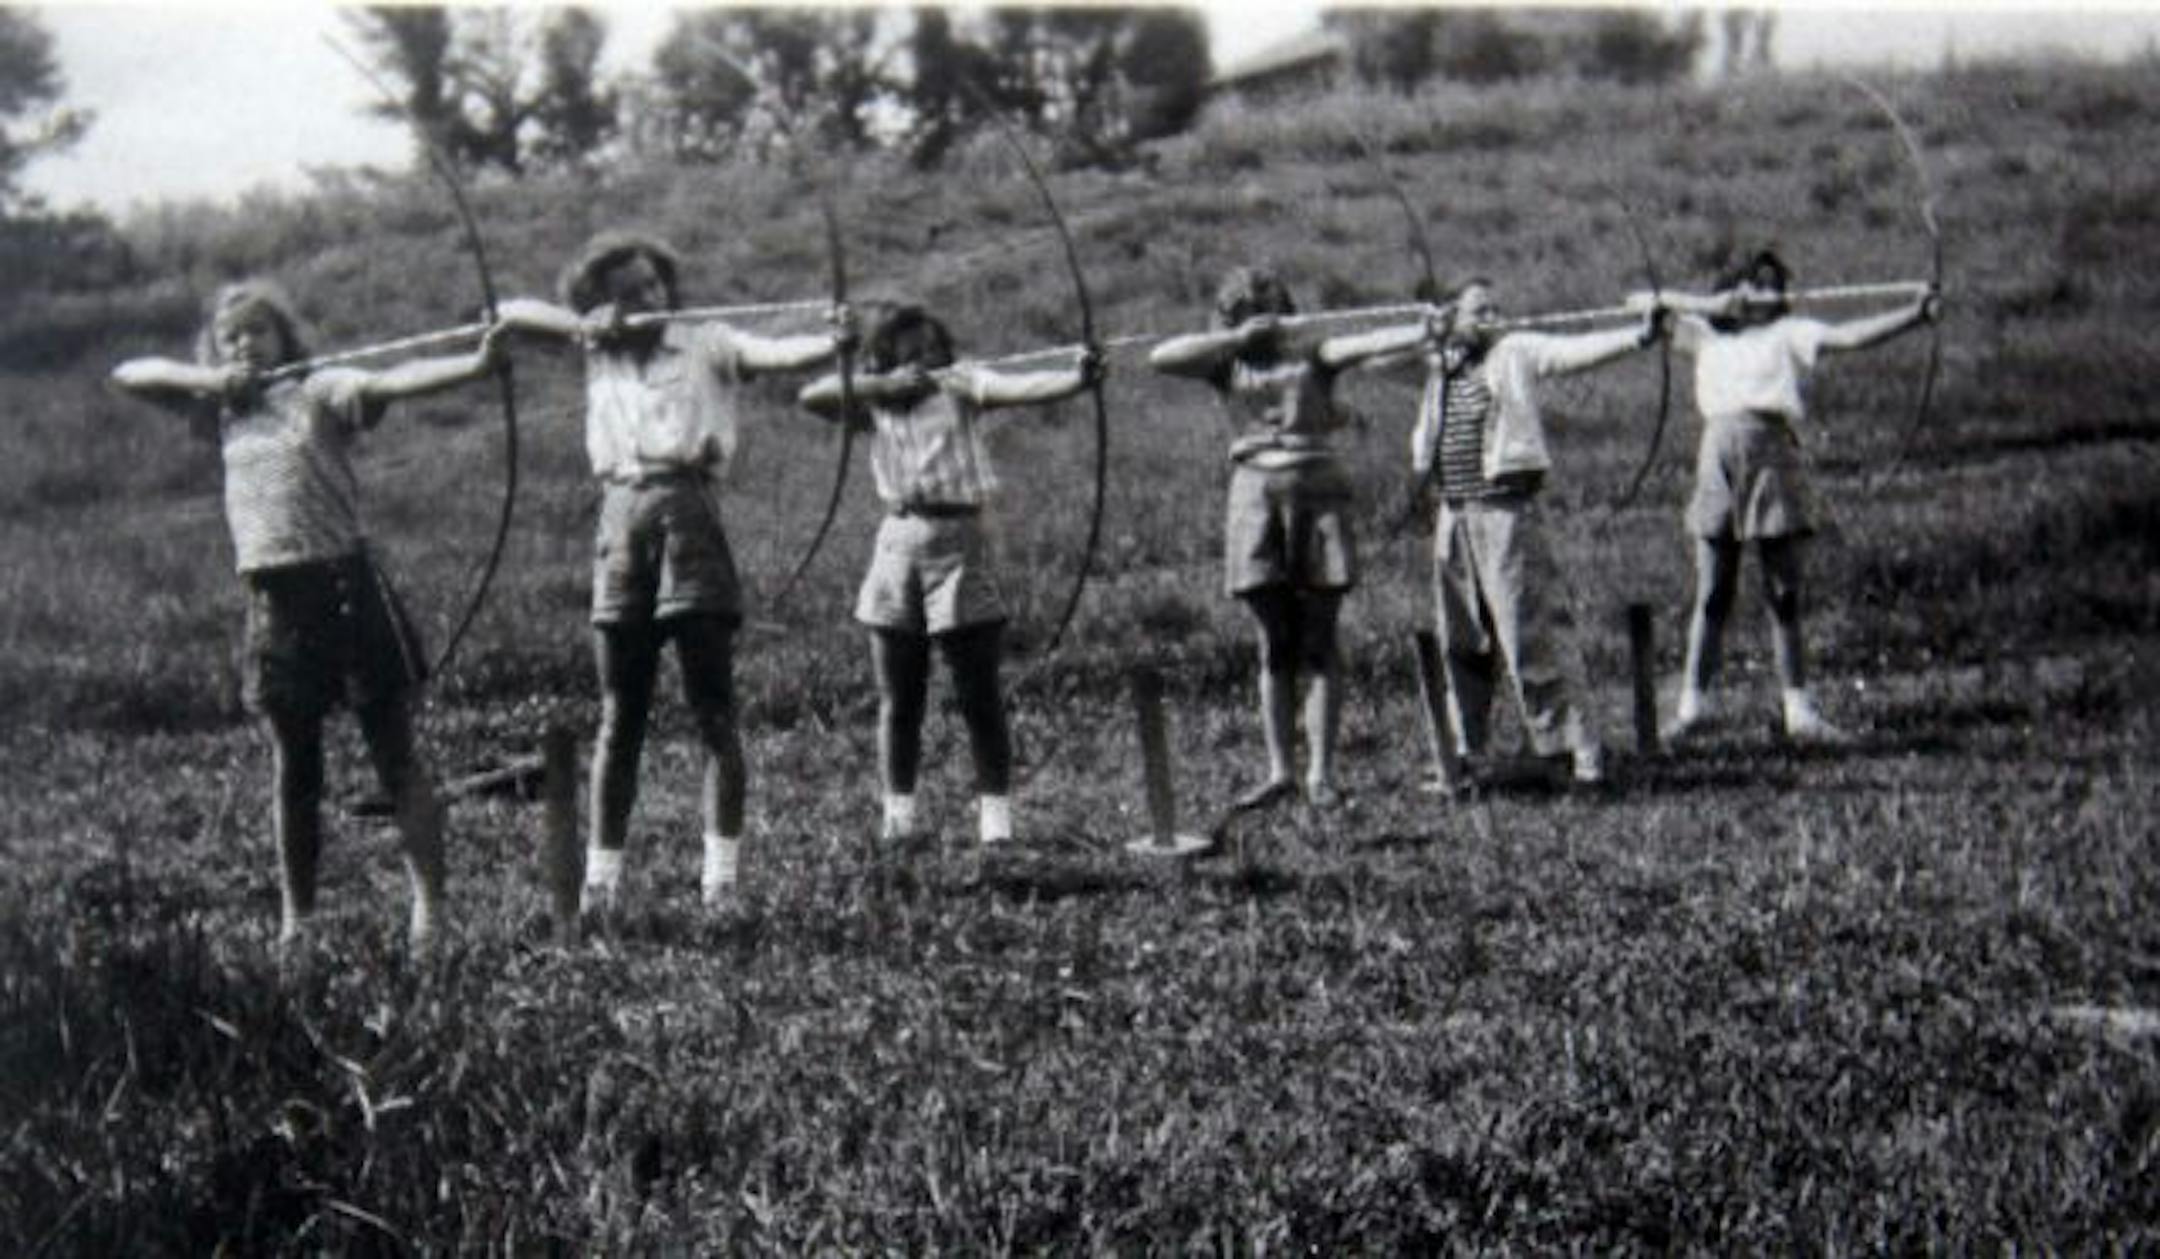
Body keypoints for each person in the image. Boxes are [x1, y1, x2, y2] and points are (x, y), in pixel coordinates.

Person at [109, 280, 506, 950]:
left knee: (395, 756)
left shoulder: (318, 389)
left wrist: (475, 363)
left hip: (345, 586)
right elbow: (129, 373)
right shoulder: (221, 409)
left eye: (259, 331)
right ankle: (299, 922)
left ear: (286, 338)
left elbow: (393, 381)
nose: (246, 344)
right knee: (295, 769)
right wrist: (216, 379)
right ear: (216, 348)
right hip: (274, 600)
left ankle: (430, 915)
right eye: (231, 335)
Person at [495, 232, 850, 911]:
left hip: (691, 515)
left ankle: (719, 883)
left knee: (712, 708)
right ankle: (601, 884)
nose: (649, 299)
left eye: (655, 286)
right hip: (621, 521)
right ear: (605, 302)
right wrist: (586, 323)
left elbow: (774, 353)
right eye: (629, 292)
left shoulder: (706, 341)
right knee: (619, 712)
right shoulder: (597, 346)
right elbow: (511, 312)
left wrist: (834, 341)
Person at [797, 301, 1102, 853]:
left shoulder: (961, 386)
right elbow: (812, 397)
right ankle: (899, 820)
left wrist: (1078, 376)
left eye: (935, 350)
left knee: (978, 692)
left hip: (959, 542)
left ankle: (996, 823)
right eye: (911, 354)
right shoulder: (876, 405)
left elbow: (1023, 386)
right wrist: (880, 387)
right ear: (886, 361)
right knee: (899, 697)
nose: (926, 362)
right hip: (896, 544)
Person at [1148, 266, 1430, 812]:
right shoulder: (1223, 361)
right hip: (1254, 498)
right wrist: (1237, 340)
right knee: (1274, 641)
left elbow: (1367, 342)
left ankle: (1321, 775)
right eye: (1247, 308)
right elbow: (1161, 357)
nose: (1264, 316)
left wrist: (1425, 328)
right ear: (1229, 318)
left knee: (1321, 638)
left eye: (1272, 305)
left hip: (1318, 491)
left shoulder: (1314, 351)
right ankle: (1281, 772)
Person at [1638, 250, 1939, 744]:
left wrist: (1915, 313)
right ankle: (1694, 708)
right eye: (1756, 284)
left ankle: (1799, 712)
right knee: (1713, 592)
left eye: (1775, 285)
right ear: (1735, 290)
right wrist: (1712, 303)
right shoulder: (1705, 335)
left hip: (1772, 454)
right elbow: (1646, 304)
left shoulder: (1791, 334)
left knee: (1783, 593)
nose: (1768, 293)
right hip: (1717, 458)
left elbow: (1851, 336)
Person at [1385, 277, 1663, 789]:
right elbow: (1376, 363)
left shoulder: (1514, 351)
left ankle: (1580, 754)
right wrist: (1428, 330)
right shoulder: (1437, 365)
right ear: (1455, 316)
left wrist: (1637, 337)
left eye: (1496, 308)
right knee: (1461, 638)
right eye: (1477, 310)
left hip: (1505, 513)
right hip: (1454, 516)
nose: (1490, 317)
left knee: (1528, 632)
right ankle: (1468, 751)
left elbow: (1573, 353)